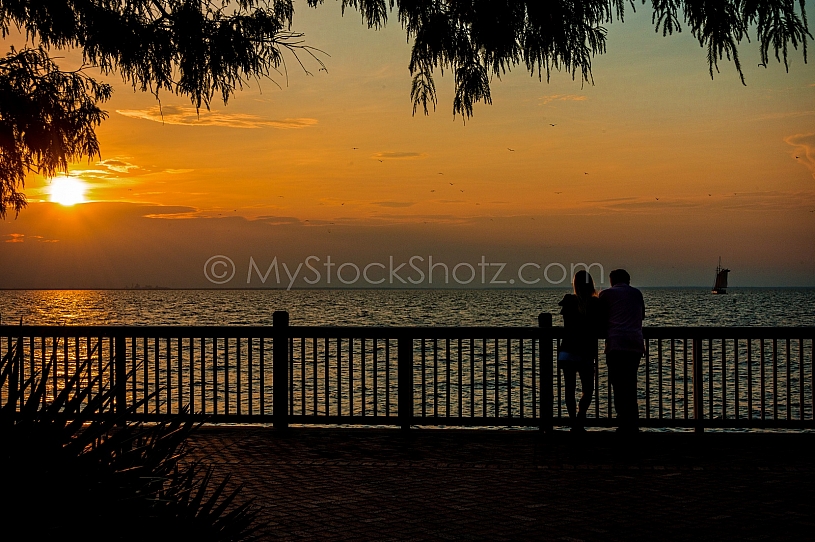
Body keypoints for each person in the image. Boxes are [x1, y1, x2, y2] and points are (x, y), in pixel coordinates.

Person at [598, 269, 645, 433]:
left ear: (612, 281)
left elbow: (600, 318)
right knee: (631, 384)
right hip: (635, 344)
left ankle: (623, 422)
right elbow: (642, 316)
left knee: (618, 385)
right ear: (628, 280)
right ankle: (633, 423)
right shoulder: (637, 293)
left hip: (616, 344)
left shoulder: (606, 294)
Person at [557, 270, 602, 432]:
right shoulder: (595, 303)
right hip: (586, 352)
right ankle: (580, 419)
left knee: (569, 389)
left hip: (568, 350)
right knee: (588, 389)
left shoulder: (568, 301)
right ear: (591, 284)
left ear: (575, 284)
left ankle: (573, 421)